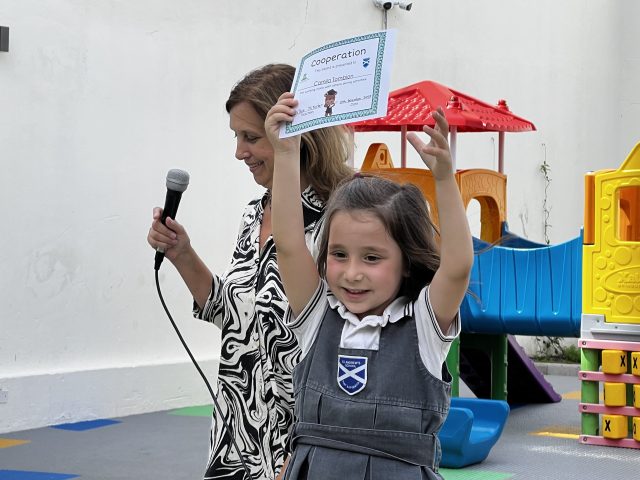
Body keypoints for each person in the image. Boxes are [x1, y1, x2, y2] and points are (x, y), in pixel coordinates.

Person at [147, 65, 353, 480]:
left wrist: (308, 448)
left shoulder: (342, 219)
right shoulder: (253, 215)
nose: (239, 153)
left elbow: (352, 338)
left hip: (305, 440)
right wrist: (182, 254)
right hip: (236, 439)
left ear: (294, 133)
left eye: (251, 137)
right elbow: (235, 317)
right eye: (236, 138)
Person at [266, 94, 474, 479]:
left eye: (372, 258)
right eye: (339, 254)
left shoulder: (423, 326)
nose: (352, 273)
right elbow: (289, 244)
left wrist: (445, 179)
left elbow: (458, 267)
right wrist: (285, 154)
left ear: (406, 261)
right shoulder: (318, 316)